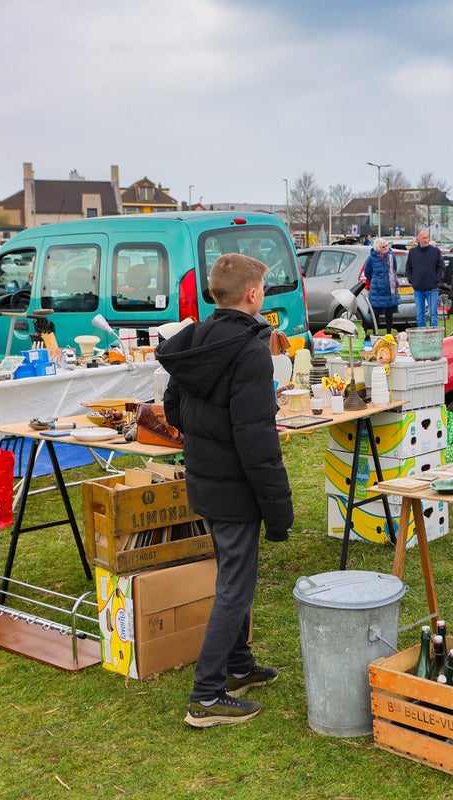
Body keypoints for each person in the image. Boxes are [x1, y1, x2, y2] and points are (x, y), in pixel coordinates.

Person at [156, 252, 294, 728]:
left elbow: (173, 408)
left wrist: (205, 431)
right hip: (232, 486)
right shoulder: (250, 351)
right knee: (236, 586)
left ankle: (237, 666)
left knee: (233, 577)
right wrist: (279, 509)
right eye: (264, 287)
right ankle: (207, 695)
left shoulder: (196, 340)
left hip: (205, 479)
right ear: (253, 294)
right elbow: (256, 440)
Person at [406, 229, 443, 327]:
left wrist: (437, 279)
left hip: (432, 288)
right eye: (423, 238)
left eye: (427, 238)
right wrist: (411, 280)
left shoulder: (435, 251)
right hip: (418, 288)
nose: (426, 240)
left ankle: (434, 334)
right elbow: (408, 268)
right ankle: (422, 335)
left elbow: (441, 266)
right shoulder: (412, 252)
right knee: (420, 315)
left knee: (433, 314)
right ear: (418, 240)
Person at [364, 238, 401, 333]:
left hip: (390, 290)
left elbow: (394, 269)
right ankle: (375, 333)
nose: (385, 248)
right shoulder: (371, 259)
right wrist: (376, 282)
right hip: (377, 291)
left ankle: (389, 333)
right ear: (378, 248)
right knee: (375, 313)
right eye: (383, 246)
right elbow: (367, 273)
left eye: (386, 246)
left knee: (389, 313)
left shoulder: (391, 256)